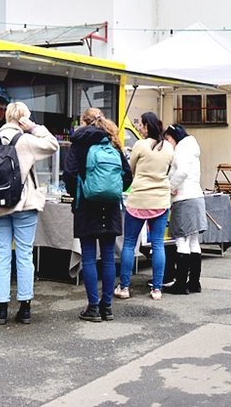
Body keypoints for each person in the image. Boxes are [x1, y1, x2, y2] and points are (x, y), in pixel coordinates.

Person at [0, 101, 58, 325]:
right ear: (23, 119)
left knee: (1, 254)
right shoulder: (27, 141)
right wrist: (34, 127)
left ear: (6, 116)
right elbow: (53, 144)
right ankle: (25, 308)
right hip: (24, 205)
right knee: (25, 254)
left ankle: (1, 309)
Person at [64, 108, 133, 323]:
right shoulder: (113, 143)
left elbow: (69, 174)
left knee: (89, 256)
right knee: (109, 257)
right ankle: (107, 307)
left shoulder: (78, 144)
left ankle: (93, 307)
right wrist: (112, 189)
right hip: (111, 206)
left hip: (86, 205)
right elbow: (128, 176)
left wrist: (79, 190)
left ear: (84, 122)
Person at [115, 111, 174, 301]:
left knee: (129, 244)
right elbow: (169, 170)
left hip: (139, 199)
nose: (139, 127)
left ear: (147, 126)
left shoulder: (139, 145)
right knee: (158, 244)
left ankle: (124, 287)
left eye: (140, 124)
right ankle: (156, 289)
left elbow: (130, 170)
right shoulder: (168, 148)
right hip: (160, 200)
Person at [163, 124, 207, 294]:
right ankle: (194, 283)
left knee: (181, 240)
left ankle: (180, 284)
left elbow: (181, 172)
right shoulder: (192, 148)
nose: (168, 143)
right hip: (197, 197)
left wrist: (170, 186)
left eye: (168, 139)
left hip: (184, 199)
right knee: (194, 241)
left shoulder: (181, 149)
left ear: (174, 137)